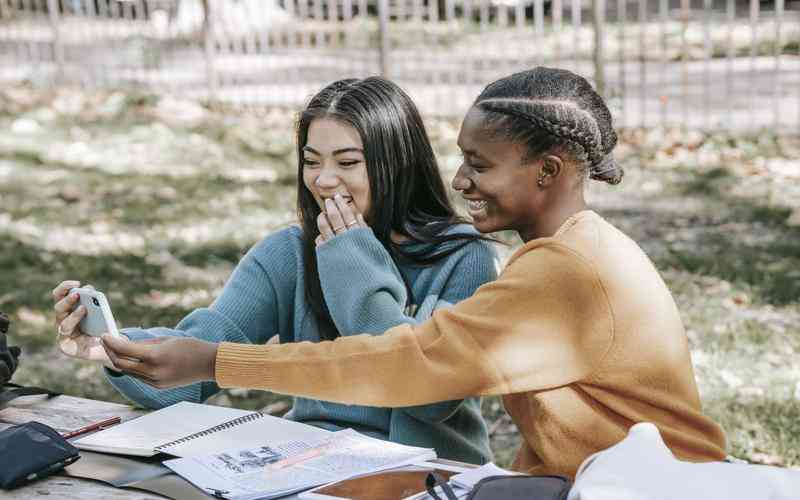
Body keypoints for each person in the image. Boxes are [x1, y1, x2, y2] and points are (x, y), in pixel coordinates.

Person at [95, 67, 728, 478]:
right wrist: (116, 347)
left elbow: (406, 368)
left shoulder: (559, 269)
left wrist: (220, 361)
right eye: (312, 161)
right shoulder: (560, 254)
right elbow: (565, 428)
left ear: (549, 170)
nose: (460, 181)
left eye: (479, 165)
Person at [52, 77, 499, 465]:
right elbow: (200, 360)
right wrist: (112, 349)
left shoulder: (463, 257)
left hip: (427, 474)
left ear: (398, 164)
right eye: (310, 161)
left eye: (346, 162)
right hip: (311, 462)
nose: (323, 180)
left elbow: (426, 392)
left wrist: (352, 265)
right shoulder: (288, 252)